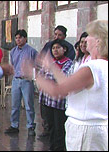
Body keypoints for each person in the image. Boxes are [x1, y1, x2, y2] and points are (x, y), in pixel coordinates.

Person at [23, 20, 108, 151]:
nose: (86, 40)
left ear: (98, 41)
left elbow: (59, 91)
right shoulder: (102, 65)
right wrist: (51, 66)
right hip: (95, 129)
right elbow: (66, 83)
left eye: (90, 36)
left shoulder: (92, 68)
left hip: (86, 131)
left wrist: (33, 75)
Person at [39, 25, 75, 138]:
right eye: (55, 34)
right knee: (50, 123)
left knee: (59, 126)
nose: (57, 37)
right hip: (47, 98)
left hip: (59, 99)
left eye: (59, 35)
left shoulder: (68, 58)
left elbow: (60, 77)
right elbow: (41, 72)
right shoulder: (49, 45)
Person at [4, 29, 38, 136]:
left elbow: (38, 65)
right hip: (16, 80)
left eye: (20, 38)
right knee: (15, 104)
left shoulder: (32, 51)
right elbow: (13, 65)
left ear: (25, 38)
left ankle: (31, 125)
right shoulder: (13, 51)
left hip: (26, 80)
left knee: (29, 104)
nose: (18, 40)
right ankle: (14, 125)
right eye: (17, 38)